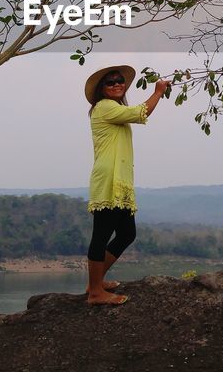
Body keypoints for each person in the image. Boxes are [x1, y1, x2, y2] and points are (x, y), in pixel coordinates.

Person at [82, 64, 170, 305]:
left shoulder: (113, 108)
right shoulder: (104, 107)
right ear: (102, 89)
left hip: (119, 181)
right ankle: (95, 292)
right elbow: (142, 112)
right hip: (109, 180)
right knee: (101, 235)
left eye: (119, 80)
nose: (117, 84)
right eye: (110, 82)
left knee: (126, 233)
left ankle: (95, 282)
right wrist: (158, 91)